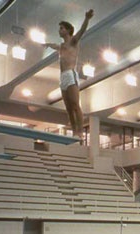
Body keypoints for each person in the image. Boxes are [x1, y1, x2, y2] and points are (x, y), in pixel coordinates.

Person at [44, 9, 94, 143]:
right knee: (68, 108)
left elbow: (82, 31)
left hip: (71, 74)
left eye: (61, 28)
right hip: (63, 78)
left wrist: (87, 19)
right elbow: (56, 46)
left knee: (75, 104)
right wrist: (48, 44)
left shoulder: (73, 41)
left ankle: (80, 132)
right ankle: (74, 132)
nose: (59, 30)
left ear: (67, 30)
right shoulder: (61, 46)